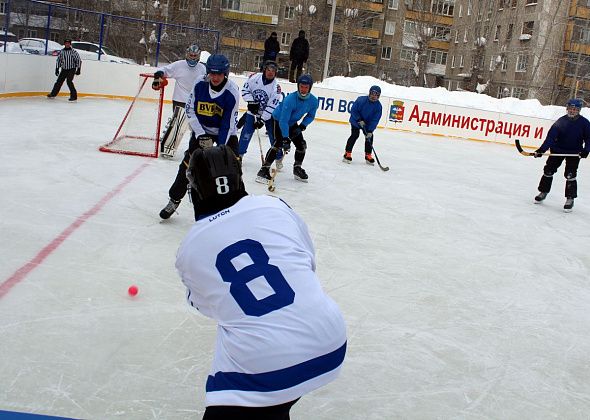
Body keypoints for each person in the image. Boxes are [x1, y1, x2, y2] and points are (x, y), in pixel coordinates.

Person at [177, 145, 347, 419]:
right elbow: (306, 260)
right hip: (330, 341)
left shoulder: (189, 248)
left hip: (266, 366)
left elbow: (206, 306)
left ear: (194, 190)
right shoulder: (274, 205)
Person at [159, 54, 240, 220]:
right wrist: (201, 135)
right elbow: (190, 110)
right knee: (188, 165)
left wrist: (219, 149)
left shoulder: (232, 92)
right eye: (212, 73)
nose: (215, 77)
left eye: (219, 74)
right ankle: (174, 199)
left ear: (226, 73)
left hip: (225, 133)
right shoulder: (199, 84)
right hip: (202, 130)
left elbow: (228, 123)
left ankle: (234, 206)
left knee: (232, 167)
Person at [256, 74, 318, 184]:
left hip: (292, 122)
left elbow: (311, 115)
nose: (303, 90)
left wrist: (303, 125)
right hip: (279, 119)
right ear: (298, 86)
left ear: (310, 88)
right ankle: (264, 170)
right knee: (278, 144)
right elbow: (283, 121)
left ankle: (297, 168)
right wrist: (285, 138)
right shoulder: (290, 100)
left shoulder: (313, 101)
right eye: (301, 87)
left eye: (306, 87)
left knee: (301, 145)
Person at [533, 98, 590, 211]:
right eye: (570, 108)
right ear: (567, 108)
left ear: (579, 110)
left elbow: (589, 138)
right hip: (557, 150)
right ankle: (543, 191)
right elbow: (550, 137)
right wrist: (541, 150)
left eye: (575, 109)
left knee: (570, 175)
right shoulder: (561, 121)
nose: (572, 111)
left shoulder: (584, 123)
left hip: (574, 153)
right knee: (548, 171)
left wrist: (586, 150)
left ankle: (570, 198)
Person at [237, 60, 282, 163]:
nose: (270, 72)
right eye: (268, 70)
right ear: (264, 70)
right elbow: (245, 91)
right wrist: (251, 102)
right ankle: (239, 155)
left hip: (269, 115)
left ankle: (278, 157)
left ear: (276, 72)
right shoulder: (254, 78)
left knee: (273, 135)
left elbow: (271, 106)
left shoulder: (276, 88)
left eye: (273, 71)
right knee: (246, 133)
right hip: (252, 112)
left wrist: (262, 120)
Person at [152, 44, 207, 110]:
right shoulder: (179, 65)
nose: (192, 58)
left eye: (195, 56)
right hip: (179, 101)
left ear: (198, 56)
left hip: (195, 102)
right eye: (191, 55)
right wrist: (158, 75)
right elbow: (164, 70)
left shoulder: (202, 68)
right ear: (187, 54)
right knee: (177, 120)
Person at [343, 85, 383, 165]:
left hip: (367, 124)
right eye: (372, 94)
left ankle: (368, 155)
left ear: (378, 96)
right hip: (356, 121)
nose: (374, 96)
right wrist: (359, 119)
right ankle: (347, 153)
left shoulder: (378, 106)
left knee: (369, 137)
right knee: (355, 135)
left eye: (376, 95)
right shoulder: (361, 100)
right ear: (369, 93)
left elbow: (375, 120)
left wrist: (370, 130)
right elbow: (353, 110)